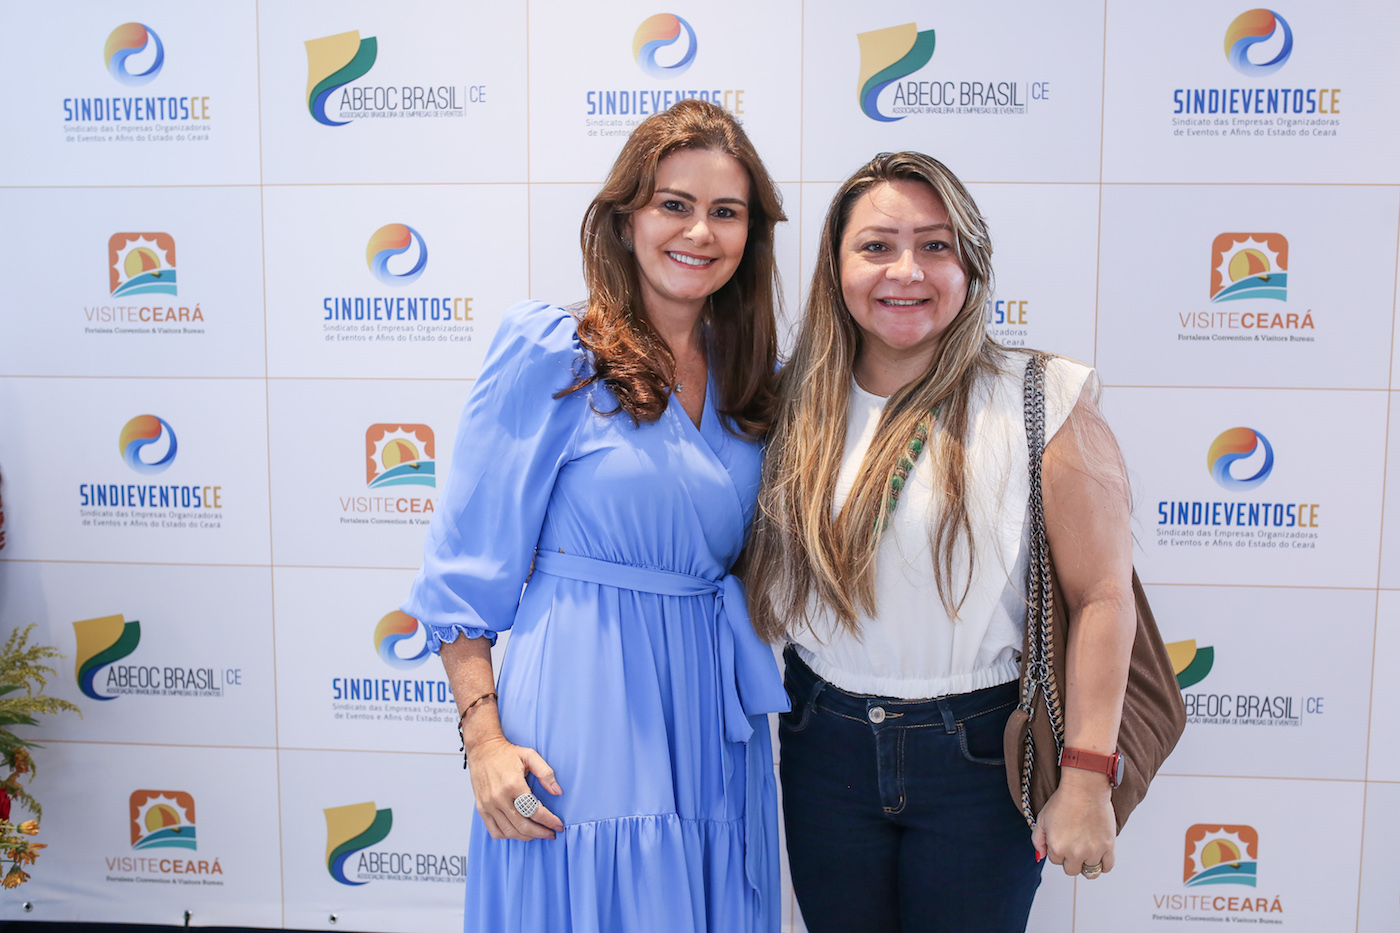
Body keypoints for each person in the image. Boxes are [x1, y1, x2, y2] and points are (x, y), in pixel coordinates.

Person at [402, 98, 789, 933]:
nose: (700, 231)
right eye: (674, 204)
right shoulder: (554, 352)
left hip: (713, 717)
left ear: (751, 235)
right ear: (625, 219)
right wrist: (483, 740)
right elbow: (464, 572)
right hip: (586, 701)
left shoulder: (758, 378)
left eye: (726, 211)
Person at [741, 152, 1135, 933]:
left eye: (935, 245)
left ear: (971, 265)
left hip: (979, 755)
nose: (906, 270)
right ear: (836, 267)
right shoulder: (788, 401)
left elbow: (1102, 596)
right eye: (877, 246)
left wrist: (1088, 776)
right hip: (821, 743)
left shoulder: (1040, 396)